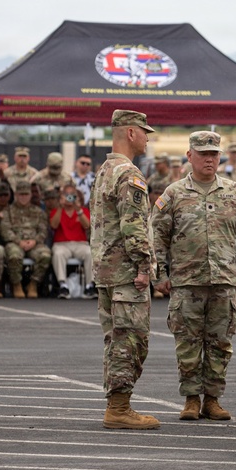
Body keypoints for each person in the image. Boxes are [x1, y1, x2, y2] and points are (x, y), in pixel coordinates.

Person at [152, 131, 236, 422]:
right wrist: (160, 275)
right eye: (203, 153)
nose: (209, 159)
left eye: (214, 154)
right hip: (186, 281)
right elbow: (157, 237)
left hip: (223, 280)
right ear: (189, 156)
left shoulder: (233, 192)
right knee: (187, 342)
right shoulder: (174, 193)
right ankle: (191, 398)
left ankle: (213, 399)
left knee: (220, 343)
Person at [90, 109, 160, 430]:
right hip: (126, 273)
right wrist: (144, 266)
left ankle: (117, 404)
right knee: (130, 339)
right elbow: (134, 228)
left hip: (106, 270)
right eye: (145, 131)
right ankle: (119, 407)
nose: (148, 137)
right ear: (130, 133)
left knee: (114, 338)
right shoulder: (129, 175)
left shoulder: (105, 170)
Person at [0, 182, 51, 298]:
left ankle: (33, 284)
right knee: (14, 255)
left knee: (45, 255)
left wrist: (35, 241)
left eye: (26, 194)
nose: (23, 197)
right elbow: (5, 230)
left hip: (34, 243)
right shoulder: (8, 211)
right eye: (21, 194)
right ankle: (17, 284)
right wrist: (19, 242)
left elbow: (43, 231)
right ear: (16, 195)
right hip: (15, 242)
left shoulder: (38, 212)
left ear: (30, 195)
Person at [49, 184, 92, 299]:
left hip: (80, 244)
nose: (69, 198)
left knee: (90, 252)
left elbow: (87, 225)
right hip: (62, 244)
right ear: (62, 196)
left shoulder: (83, 211)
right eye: (66, 195)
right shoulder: (56, 210)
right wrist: (60, 207)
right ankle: (63, 285)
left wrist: (78, 210)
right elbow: (54, 225)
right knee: (58, 254)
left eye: (72, 195)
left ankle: (89, 286)